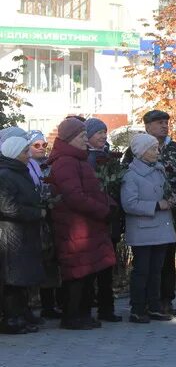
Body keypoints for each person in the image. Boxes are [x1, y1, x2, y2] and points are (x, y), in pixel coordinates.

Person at [47, 118, 116, 330]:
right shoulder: (66, 162)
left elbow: (91, 190)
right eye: (82, 136)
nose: (86, 139)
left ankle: (83, 314)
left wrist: (108, 204)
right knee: (77, 273)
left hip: (86, 225)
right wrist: (103, 210)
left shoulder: (78, 159)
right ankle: (73, 316)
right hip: (75, 227)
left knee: (86, 272)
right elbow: (74, 196)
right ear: (70, 139)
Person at [124, 109, 176, 316]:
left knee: (162, 266)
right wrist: (157, 205)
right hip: (144, 226)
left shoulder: (171, 153)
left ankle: (161, 302)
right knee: (143, 269)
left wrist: (175, 200)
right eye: (159, 122)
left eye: (166, 122)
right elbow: (129, 201)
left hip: (165, 222)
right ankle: (139, 307)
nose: (164, 126)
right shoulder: (132, 162)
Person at [0, 136, 47, 334]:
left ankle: (20, 316)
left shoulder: (21, 172)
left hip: (25, 233)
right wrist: (36, 213)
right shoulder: (5, 175)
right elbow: (7, 206)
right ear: (14, 153)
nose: (28, 155)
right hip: (12, 234)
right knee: (13, 279)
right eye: (25, 152)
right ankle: (11, 319)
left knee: (22, 278)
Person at [85, 117, 123, 322]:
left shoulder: (108, 157)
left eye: (105, 132)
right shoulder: (85, 159)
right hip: (94, 220)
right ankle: (91, 307)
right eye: (99, 132)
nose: (103, 136)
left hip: (111, 219)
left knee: (108, 266)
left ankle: (107, 309)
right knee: (92, 266)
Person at [28, 130, 63, 320]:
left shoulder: (50, 165)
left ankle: (50, 305)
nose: (41, 149)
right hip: (36, 220)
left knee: (51, 263)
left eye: (44, 145)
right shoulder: (26, 167)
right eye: (36, 145)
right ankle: (35, 303)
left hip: (51, 218)